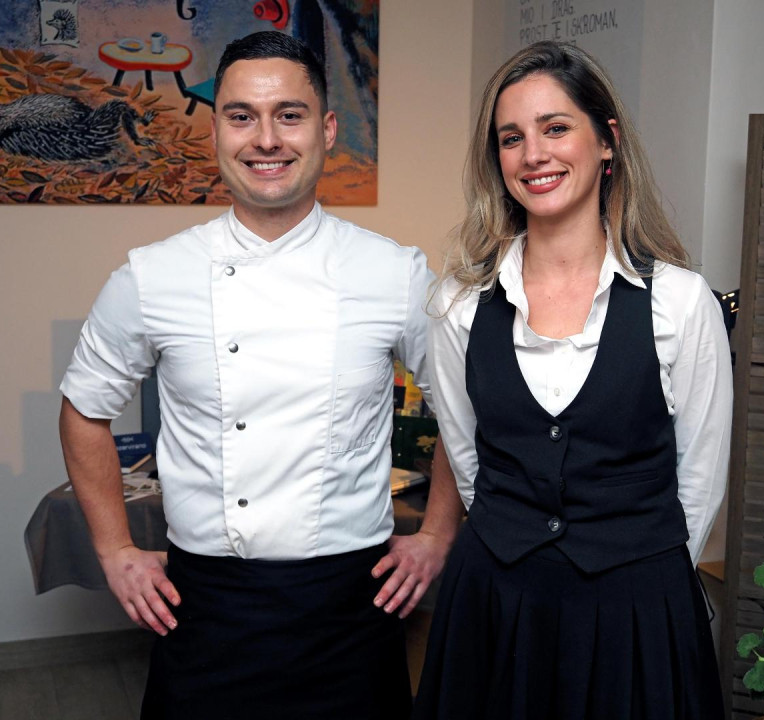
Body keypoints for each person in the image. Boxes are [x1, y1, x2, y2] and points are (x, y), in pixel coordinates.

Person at [58, 30, 463, 720]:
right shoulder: (151, 277)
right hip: (206, 607)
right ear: (216, 131)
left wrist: (436, 534)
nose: (266, 139)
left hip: (351, 608)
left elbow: (463, 406)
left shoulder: (394, 274)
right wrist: (116, 548)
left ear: (326, 130)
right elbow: (83, 409)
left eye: (289, 115)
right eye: (242, 116)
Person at [413, 41, 732, 720]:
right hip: (496, 604)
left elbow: (700, 481)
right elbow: (470, 463)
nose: (534, 154)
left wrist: (640, 579)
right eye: (512, 138)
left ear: (606, 141)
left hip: (637, 612)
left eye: (555, 128)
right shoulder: (458, 304)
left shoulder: (680, 302)